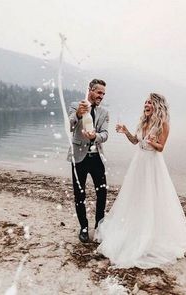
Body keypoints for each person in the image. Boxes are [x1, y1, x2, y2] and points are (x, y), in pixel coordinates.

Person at [94, 93, 186, 269]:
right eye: (145, 102)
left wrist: (154, 142)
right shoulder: (143, 122)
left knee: (153, 197)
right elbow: (135, 141)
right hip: (138, 163)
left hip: (152, 164)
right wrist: (126, 132)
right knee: (135, 197)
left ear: (157, 106)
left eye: (150, 103)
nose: (146, 105)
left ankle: (152, 233)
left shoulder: (163, 124)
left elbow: (161, 148)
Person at [68, 79, 109, 243]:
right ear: (90, 90)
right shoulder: (76, 105)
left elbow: (105, 134)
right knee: (79, 193)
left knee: (102, 192)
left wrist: (96, 136)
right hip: (78, 156)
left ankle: (99, 226)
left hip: (97, 157)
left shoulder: (104, 112)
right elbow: (69, 126)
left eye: (103, 94)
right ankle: (84, 227)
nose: (101, 96)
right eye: (99, 92)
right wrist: (78, 114)